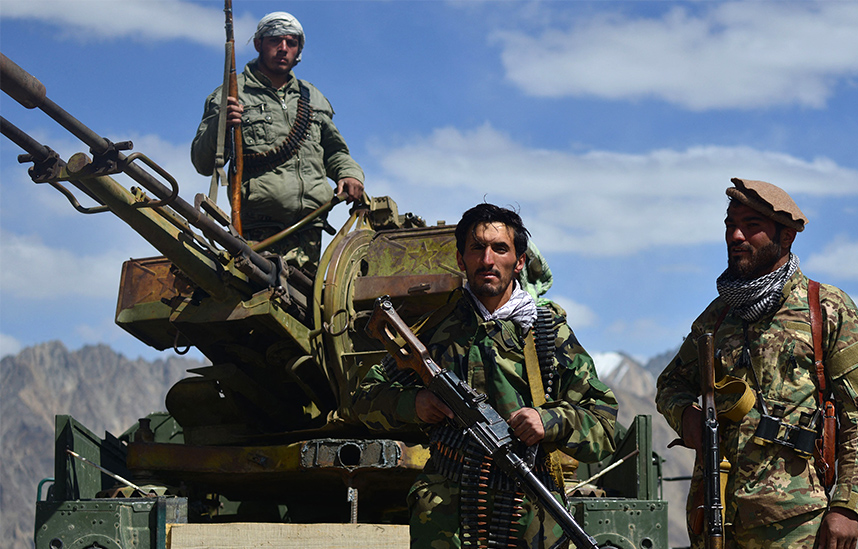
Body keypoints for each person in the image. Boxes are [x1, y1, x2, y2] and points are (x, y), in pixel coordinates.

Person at [353, 203, 618, 548]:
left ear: (519, 261)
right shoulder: (433, 332)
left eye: (500, 248)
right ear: (462, 260)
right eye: (477, 248)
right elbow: (363, 399)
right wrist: (415, 403)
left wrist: (548, 420)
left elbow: (604, 424)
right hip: (445, 518)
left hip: (527, 512)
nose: (488, 259)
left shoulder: (547, 334)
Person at [656, 178, 858, 549]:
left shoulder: (826, 309)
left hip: (795, 524)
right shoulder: (715, 319)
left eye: (752, 226)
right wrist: (686, 416)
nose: (736, 236)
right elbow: (670, 385)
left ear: (787, 237)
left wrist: (847, 506)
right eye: (730, 225)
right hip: (717, 520)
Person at [191, 11, 364, 272]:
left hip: (310, 228)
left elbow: (334, 151)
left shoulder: (311, 97)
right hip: (257, 232)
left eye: (291, 43)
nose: (284, 49)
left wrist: (350, 173)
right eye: (275, 41)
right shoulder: (231, 95)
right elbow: (202, 163)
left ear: (298, 50)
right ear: (259, 44)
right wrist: (221, 125)